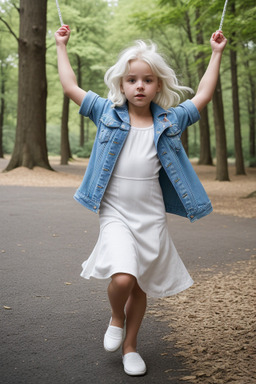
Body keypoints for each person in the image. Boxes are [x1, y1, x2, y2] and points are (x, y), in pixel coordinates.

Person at [55, 26, 227, 376]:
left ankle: (131, 347)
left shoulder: (170, 120)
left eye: (147, 80)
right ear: (121, 84)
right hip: (115, 212)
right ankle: (116, 315)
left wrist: (216, 53)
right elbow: (70, 86)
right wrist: (61, 46)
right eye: (132, 79)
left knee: (140, 283)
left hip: (150, 216)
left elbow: (204, 95)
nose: (139, 86)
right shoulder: (106, 112)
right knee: (123, 278)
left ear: (158, 85)